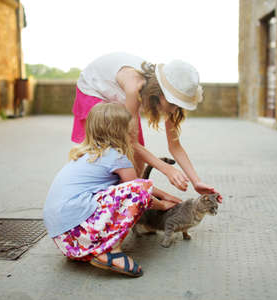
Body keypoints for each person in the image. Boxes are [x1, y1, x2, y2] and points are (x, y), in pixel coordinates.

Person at [43, 102, 178, 277]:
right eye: (131, 130)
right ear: (120, 132)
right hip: (78, 230)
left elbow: (132, 184)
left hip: (65, 239)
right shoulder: (117, 157)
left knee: (132, 187)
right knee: (139, 189)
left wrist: (166, 195)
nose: (134, 133)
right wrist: (164, 205)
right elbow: (139, 189)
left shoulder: (87, 155)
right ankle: (110, 252)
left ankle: (91, 248)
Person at [72, 52, 222, 202]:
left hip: (121, 96)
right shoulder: (134, 88)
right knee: (112, 153)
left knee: (138, 159)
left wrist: (196, 182)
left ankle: (134, 201)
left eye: (178, 105)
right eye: (172, 103)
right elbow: (129, 142)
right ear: (159, 92)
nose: (173, 110)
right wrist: (166, 168)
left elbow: (174, 146)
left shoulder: (170, 103)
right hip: (95, 89)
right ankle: (101, 201)